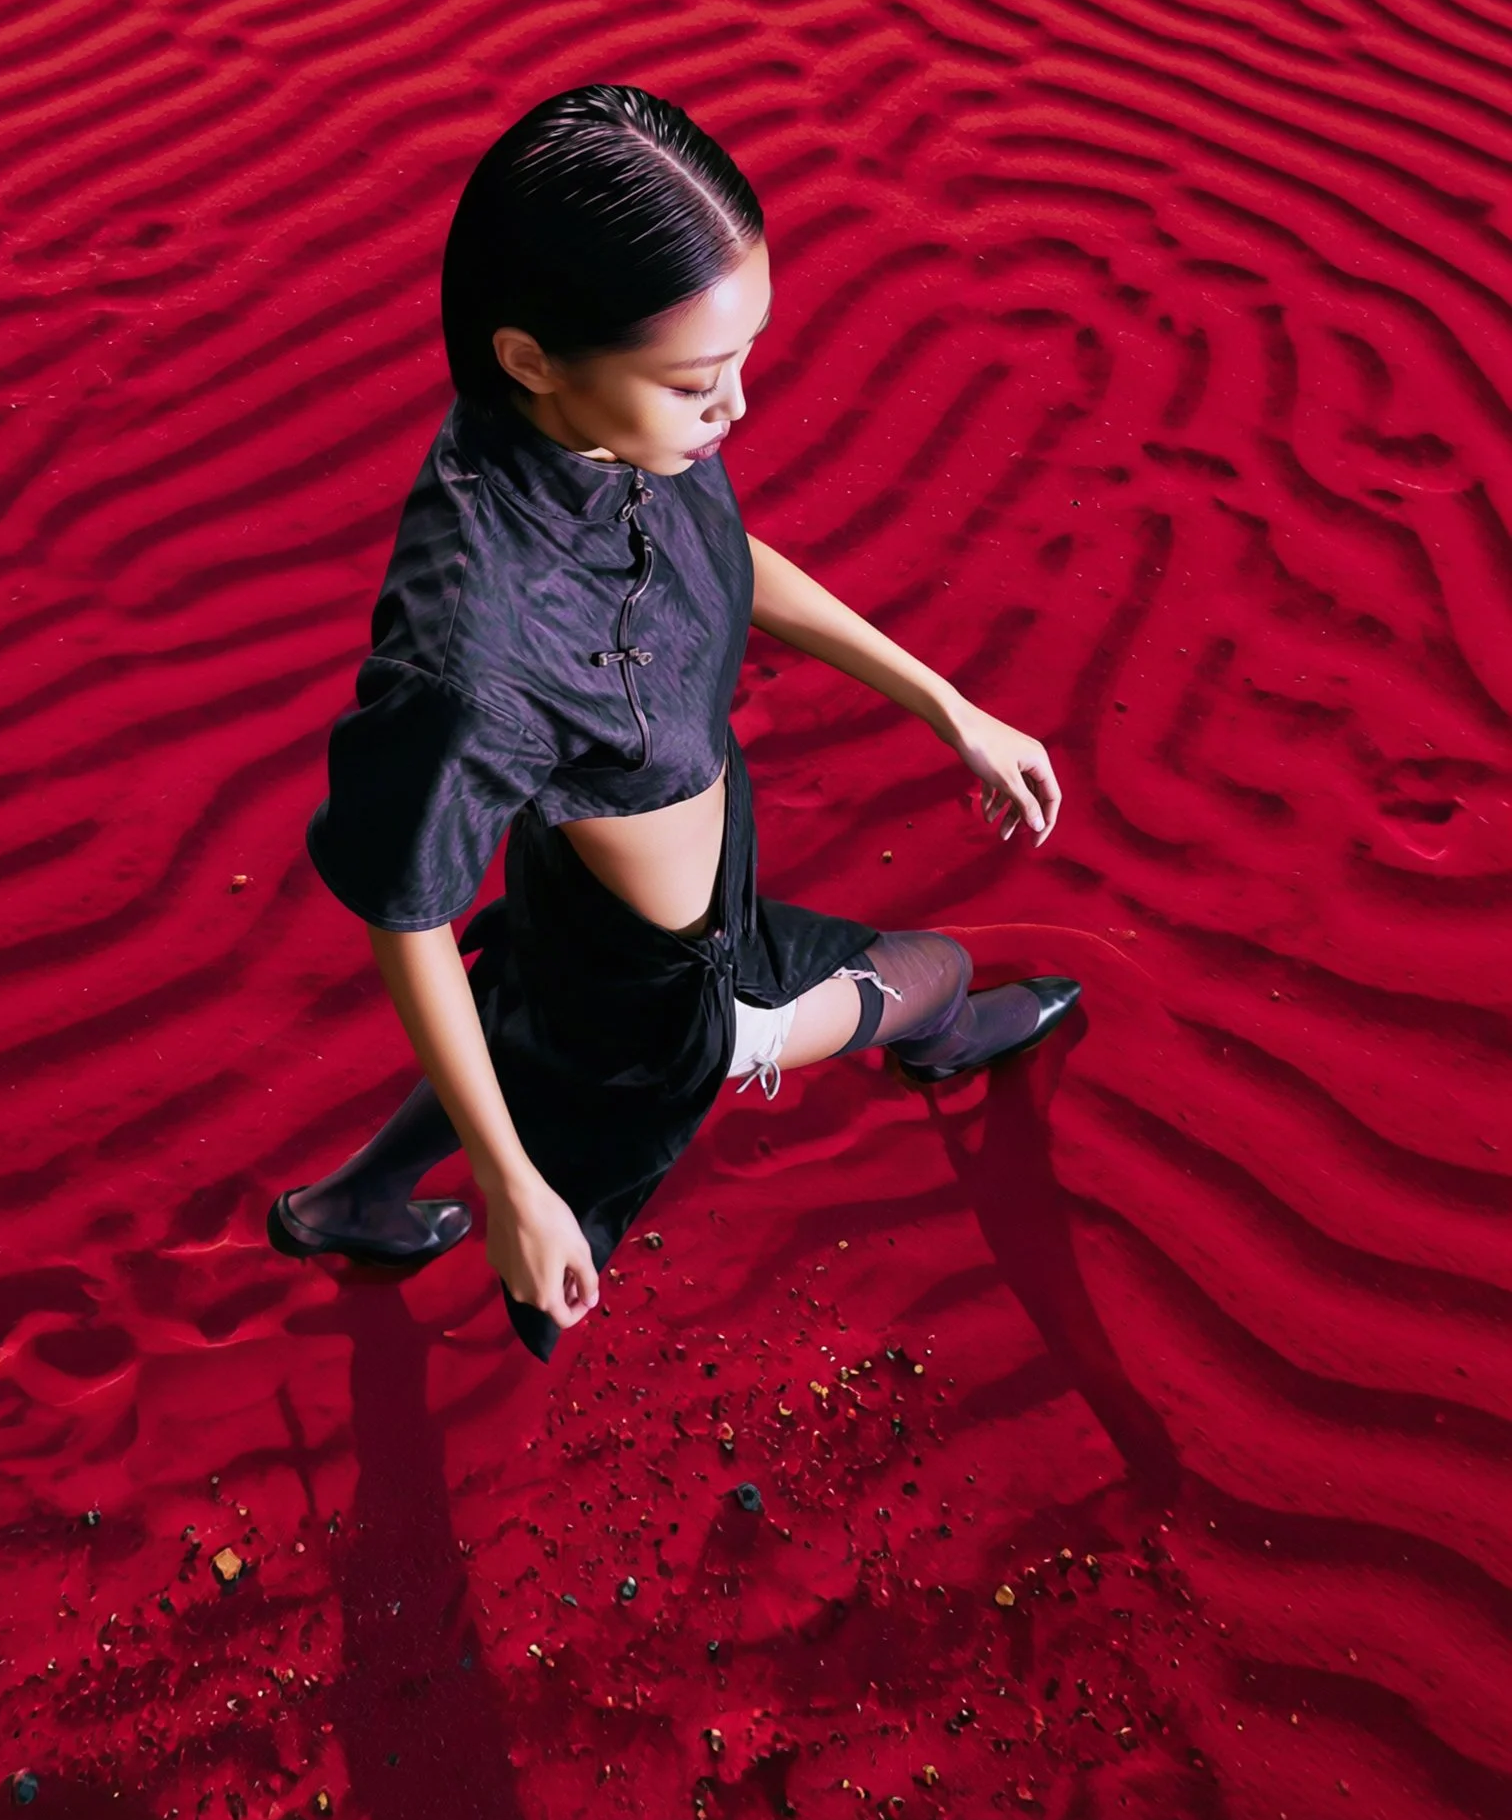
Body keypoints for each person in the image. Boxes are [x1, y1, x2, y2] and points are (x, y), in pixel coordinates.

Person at [269, 85, 1081, 1362]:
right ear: (527, 355)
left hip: (574, 895)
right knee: (928, 971)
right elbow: (406, 910)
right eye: (700, 382)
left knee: (524, 1021)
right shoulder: (472, 655)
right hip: (679, 996)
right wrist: (515, 1192)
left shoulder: (605, 437)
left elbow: (721, 557)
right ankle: (951, 1039)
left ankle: (350, 1203)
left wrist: (945, 703)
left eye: (744, 360)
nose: (739, 411)